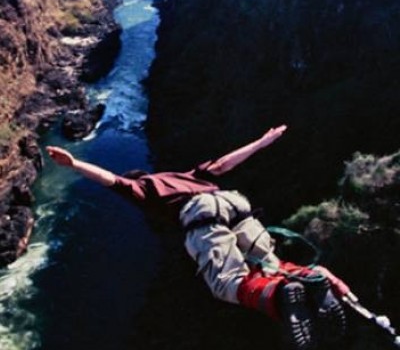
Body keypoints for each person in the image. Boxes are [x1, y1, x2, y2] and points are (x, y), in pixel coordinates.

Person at [46, 125, 347, 350]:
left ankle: (279, 297)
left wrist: (73, 164)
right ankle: (308, 277)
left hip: (202, 215)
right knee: (269, 262)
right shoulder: (185, 175)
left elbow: (110, 180)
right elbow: (223, 164)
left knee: (226, 283)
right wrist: (263, 141)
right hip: (233, 202)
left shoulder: (145, 189)